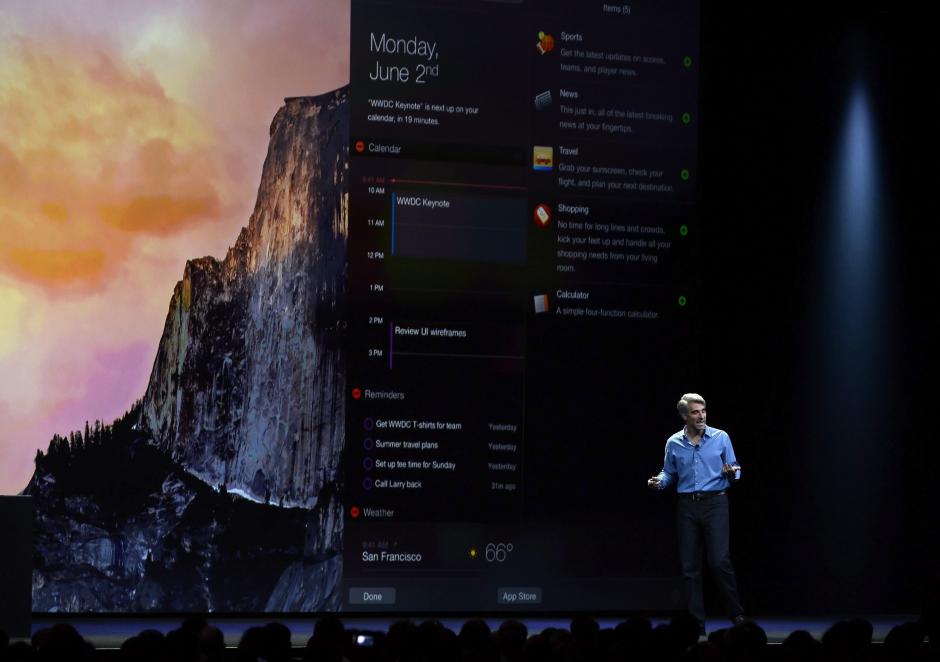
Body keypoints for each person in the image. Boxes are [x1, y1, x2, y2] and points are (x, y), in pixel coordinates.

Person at [647, 393, 745, 634]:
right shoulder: (674, 443)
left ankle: (736, 614)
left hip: (716, 503)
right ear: (684, 415)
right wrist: (659, 482)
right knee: (690, 567)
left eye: (703, 411)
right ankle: (696, 624)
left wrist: (731, 471)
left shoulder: (721, 437)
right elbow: (668, 472)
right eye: (695, 412)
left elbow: (735, 467)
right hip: (687, 506)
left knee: (719, 561)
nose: (701, 416)